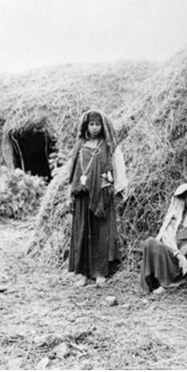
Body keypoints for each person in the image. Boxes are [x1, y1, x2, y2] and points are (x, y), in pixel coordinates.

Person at [67, 109, 128, 287]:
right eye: (91, 124)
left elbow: (118, 167)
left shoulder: (108, 145)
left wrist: (118, 189)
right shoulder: (80, 144)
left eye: (97, 124)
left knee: (101, 233)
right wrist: (71, 191)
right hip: (82, 195)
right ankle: (84, 273)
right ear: (86, 126)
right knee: (82, 232)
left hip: (101, 194)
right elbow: (73, 169)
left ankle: (100, 272)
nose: (94, 128)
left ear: (103, 126)